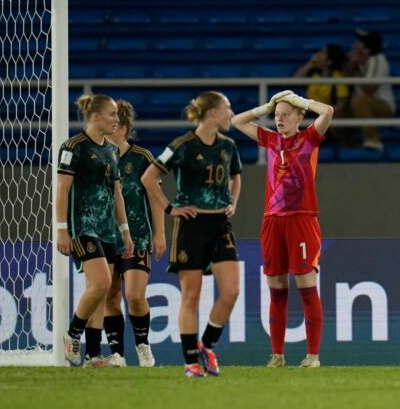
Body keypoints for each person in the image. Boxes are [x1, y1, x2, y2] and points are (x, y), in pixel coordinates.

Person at [141, 91, 242, 378]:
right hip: (191, 225)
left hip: (220, 224)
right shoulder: (183, 145)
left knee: (232, 291)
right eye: (227, 108)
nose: (230, 113)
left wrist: (233, 202)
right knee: (191, 297)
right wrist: (170, 207)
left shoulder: (228, 146)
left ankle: (206, 345)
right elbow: (148, 177)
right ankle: (190, 361)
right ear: (212, 112)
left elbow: (236, 178)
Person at [231, 89, 334, 368]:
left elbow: (328, 112)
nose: (279, 119)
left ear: (299, 117)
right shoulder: (271, 140)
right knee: (276, 287)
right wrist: (266, 105)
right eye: (277, 115)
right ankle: (277, 356)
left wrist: (300, 100)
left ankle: (312, 355)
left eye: (286, 114)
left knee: (305, 285)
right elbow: (237, 121)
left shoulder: (309, 138)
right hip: (272, 219)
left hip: (302, 219)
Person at [56, 94, 134, 367]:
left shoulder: (112, 150)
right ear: (96, 116)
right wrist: (62, 229)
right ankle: (72, 334)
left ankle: (92, 355)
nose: (117, 119)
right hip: (82, 226)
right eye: (112, 114)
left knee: (100, 291)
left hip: (107, 229)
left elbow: (117, 194)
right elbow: (63, 190)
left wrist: (124, 230)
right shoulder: (73, 146)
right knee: (100, 283)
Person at [102, 99, 165, 367]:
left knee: (135, 295)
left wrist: (160, 233)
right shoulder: (98, 157)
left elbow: (155, 197)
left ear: (124, 129)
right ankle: (117, 353)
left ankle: (143, 346)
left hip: (137, 236)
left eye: (114, 126)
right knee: (110, 295)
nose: (109, 130)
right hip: (106, 237)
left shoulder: (142, 158)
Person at [344, 29, 395, 151]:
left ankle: (373, 140)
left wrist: (356, 69)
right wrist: (351, 65)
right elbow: (344, 78)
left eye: (359, 43)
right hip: (361, 106)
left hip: (383, 106)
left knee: (359, 100)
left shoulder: (378, 60)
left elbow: (370, 89)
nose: (355, 45)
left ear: (367, 48)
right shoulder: (360, 62)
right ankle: (347, 146)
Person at [294, 43, 353, 146]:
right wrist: (310, 64)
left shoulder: (338, 78)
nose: (318, 54)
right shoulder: (313, 73)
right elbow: (295, 80)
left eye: (323, 53)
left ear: (329, 62)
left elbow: (341, 106)